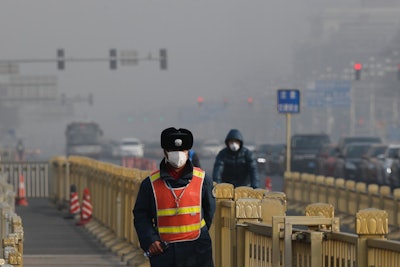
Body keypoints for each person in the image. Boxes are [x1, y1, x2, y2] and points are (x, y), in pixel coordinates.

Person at [133, 127, 216, 267]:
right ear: (165, 152)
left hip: (197, 251)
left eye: (182, 151)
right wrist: (150, 240)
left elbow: (209, 213)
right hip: (165, 252)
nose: (178, 155)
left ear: (188, 151)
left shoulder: (203, 180)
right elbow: (141, 216)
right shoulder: (150, 184)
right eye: (173, 151)